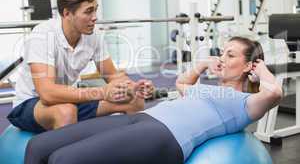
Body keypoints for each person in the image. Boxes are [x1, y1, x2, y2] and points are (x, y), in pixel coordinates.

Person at [25, 37, 282, 164]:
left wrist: (261, 69)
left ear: (248, 65)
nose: (222, 58)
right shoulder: (205, 89)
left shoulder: (244, 102)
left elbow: (273, 94)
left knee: (63, 160)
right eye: (222, 52)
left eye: (231, 55)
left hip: (165, 136)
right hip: (142, 119)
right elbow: (182, 83)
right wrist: (203, 63)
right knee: (38, 146)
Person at [7, 0, 154, 133]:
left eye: (95, 10)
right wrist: (102, 92)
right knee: (66, 111)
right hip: (29, 104)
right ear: (67, 14)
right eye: (88, 11)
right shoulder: (43, 35)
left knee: (134, 101)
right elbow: (47, 94)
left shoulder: (94, 36)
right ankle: (67, 157)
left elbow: (112, 76)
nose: (95, 17)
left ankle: (130, 151)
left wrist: (134, 87)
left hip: (68, 99)